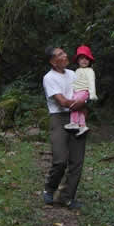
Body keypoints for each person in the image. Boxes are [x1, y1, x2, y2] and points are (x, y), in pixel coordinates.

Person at [42, 46, 87, 209]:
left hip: (77, 116)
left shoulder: (73, 74)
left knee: (77, 160)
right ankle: (50, 188)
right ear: (53, 62)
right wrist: (80, 103)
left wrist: (84, 103)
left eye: (64, 52)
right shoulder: (49, 78)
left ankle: (67, 197)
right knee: (60, 160)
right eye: (60, 54)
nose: (65, 55)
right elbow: (62, 102)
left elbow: (83, 92)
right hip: (59, 118)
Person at [64, 45, 98, 136]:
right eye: (82, 58)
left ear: (90, 61)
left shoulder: (89, 70)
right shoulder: (77, 70)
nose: (84, 60)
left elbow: (91, 82)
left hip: (83, 92)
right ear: (78, 60)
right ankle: (82, 126)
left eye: (87, 59)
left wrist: (92, 94)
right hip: (76, 92)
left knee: (74, 105)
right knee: (79, 109)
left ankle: (74, 123)